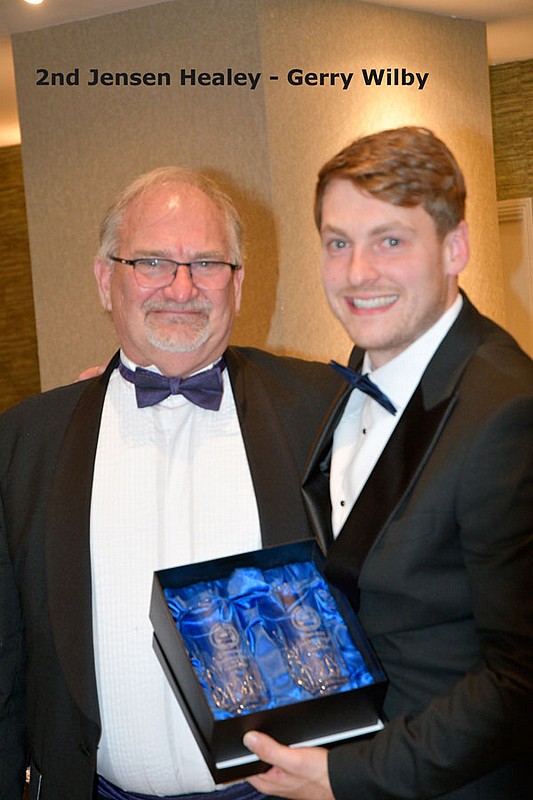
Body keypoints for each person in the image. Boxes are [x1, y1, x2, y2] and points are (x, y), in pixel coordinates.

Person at [0, 166, 342, 800]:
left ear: (238, 283)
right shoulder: (26, 443)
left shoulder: (323, 412)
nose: (181, 288)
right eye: (152, 262)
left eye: (207, 263)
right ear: (105, 281)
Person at [243, 127, 533, 799]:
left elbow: (520, 680)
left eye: (390, 241)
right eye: (338, 243)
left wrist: (345, 777)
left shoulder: (507, 412)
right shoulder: (366, 366)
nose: (357, 273)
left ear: (455, 248)